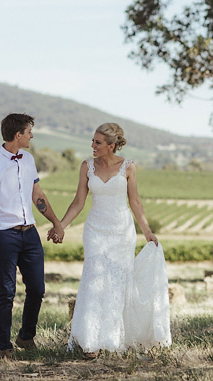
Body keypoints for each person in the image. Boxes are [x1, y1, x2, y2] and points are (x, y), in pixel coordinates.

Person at [49, 122, 171, 359]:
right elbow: (78, 202)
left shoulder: (128, 167)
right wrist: (60, 226)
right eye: (93, 141)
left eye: (97, 142)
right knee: (94, 278)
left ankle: (115, 337)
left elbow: (135, 202)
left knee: (117, 281)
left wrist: (146, 231)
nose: (92, 145)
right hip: (95, 230)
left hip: (121, 232)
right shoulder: (87, 167)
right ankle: (90, 341)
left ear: (111, 145)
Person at [0, 113, 65, 359]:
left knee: (37, 288)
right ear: (18, 135)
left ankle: (26, 337)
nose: (31, 136)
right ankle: (4, 345)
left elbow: (37, 194)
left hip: (30, 233)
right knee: (6, 291)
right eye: (29, 132)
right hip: (2, 235)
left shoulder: (28, 160)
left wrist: (56, 222)